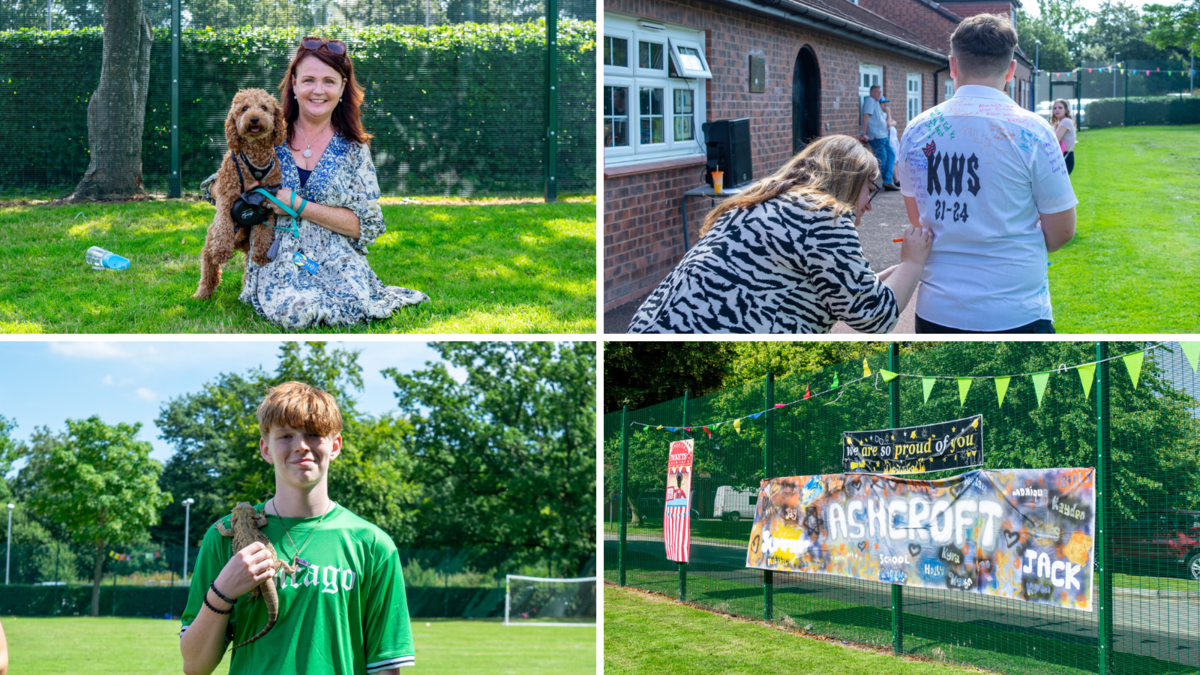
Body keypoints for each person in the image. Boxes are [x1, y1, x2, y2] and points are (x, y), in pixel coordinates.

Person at [179, 382, 414, 675]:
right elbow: (195, 666)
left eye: (314, 434)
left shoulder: (373, 545)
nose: (301, 445)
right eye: (286, 435)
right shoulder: (221, 536)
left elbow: (385, 668)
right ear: (266, 449)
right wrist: (223, 590)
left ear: (335, 446)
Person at [627, 135, 932, 333]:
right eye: (870, 190)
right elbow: (875, 316)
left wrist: (875, 281)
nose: (869, 205)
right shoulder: (825, 214)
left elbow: (828, 290)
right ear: (849, 182)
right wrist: (912, 263)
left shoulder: (759, 200)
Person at [897, 13, 1076, 333]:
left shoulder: (915, 130)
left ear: (952, 65)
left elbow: (918, 219)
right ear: (1010, 70)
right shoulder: (1034, 131)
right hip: (1016, 309)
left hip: (938, 309)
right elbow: (1062, 231)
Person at [240, 37, 428, 329]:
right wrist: (248, 193)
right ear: (293, 84)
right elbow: (219, 184)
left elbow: (365, 224)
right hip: (278, 253)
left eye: (329, 81)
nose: (318, 90)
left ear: (342, 87)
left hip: (337, 257)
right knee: (298, 313)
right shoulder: (265, 133)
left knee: (354, 306)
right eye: (309, 80)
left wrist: (298, 205)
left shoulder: (354, 149)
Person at [860, 86, 898, 190]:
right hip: (876, 136)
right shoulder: (870, 101)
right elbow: (865, 117)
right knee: (882, 159)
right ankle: (887, 181)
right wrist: (863, 133)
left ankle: (888, 179)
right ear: (871, 93)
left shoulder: (876, 102)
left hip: (883, 135)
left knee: (891, 155)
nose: (879, 94)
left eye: (880, 92)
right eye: (877, 92)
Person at [1051, 99, 1077, 175]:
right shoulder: (1058, 124)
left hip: (1066, 156)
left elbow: (1054, 140)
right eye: (1054, 108)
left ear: (1066, 110)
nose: (1057, 110)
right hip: (1060, 156)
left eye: (1060, 108)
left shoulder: (1066, 121)